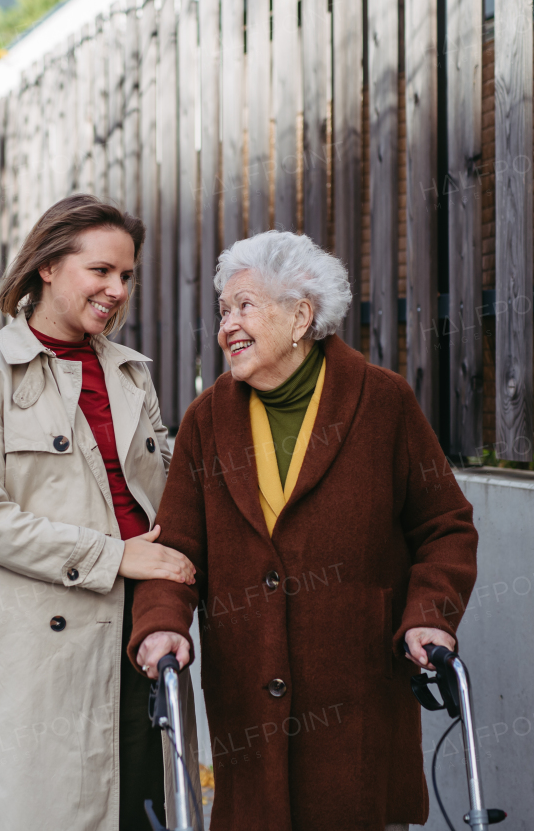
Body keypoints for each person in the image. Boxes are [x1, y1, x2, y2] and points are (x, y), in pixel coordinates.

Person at [129, 231, 479, 831]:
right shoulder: (207, 419)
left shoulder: (383, 402)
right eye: (223, 311)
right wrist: (162, 626)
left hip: (359, 691)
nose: (227, 326)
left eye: (244, 306)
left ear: (300, 316)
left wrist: (429, 612)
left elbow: (444, 525)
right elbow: (177, 546)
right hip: (247, 700)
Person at [0, 194, 196, 831]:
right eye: (100, 271)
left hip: (138, 627)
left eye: (126, 276)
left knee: (139, 805)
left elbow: (164, 487)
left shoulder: (132, 374)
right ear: (48, 266)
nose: (117, 289)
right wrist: (112, 554)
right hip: (30, 648)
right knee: (32, 808)